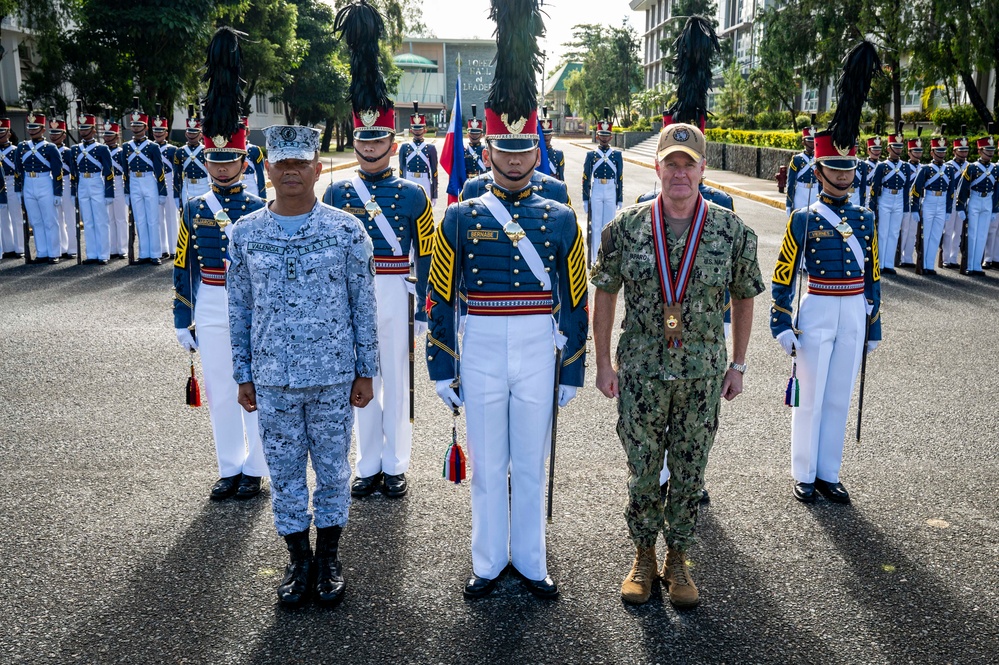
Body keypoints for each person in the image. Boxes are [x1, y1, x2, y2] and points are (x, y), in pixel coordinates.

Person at [426, 0, 588, 600]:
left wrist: (572, 369)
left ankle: (531, 559)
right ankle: (489, 560)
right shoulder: (461, 217)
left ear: (535, 150)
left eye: (524, 151)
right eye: (504, 149)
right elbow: (441, 296)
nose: (515, 159)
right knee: (490, 466)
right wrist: (442, 362)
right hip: (485, 346)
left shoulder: (562, 218)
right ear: (487, 150)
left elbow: (575, 299)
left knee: (531, 460)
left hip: (537, 346)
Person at [593, 118, 762, 609]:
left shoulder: (732, 231)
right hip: (641, 372)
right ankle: (644, 555)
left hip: (703, 374)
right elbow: (604, 293)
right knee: (643, 468)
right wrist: (603, 363)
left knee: (690, 469)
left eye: (689, 164)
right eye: (672, 164)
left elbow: (745, 296)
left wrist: (739, 364)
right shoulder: (625, 226)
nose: (680, 173)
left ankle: (679, 557)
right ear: (657, 168)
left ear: (704, 169)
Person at [230, 119, 377, 607]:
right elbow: (240, 307)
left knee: (334, 469)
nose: (291, 172)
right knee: (286, 470)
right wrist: (243, 374)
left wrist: (366, 369)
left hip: (333, 376)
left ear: (318, 169)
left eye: (300, 164)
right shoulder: (245, 233)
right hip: (273, 378)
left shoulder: (346, 230)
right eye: (282, 164)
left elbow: (363, 303)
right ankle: (298, 560)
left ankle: (329, 557)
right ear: (267, 168)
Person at [323, 6, 434, 499]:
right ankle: (366, 463)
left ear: (393, 139)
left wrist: (428, 302)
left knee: (396, 377)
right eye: (363, 137)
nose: (369, 146)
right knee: (359, 378)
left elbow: (429, 254)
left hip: (397, 291)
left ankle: (396, 463)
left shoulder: (414, 195)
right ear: (356, 137)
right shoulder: (336, 193)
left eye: (378, 137)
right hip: (350, 295)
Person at [771, 41, 882, 507]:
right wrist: (781, 322)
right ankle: (803, 471)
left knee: (839, 395)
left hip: (854, 308)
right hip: (816, 305)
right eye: (834, 168)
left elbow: (873, 276)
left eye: (848, 168)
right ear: (818, 171)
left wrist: (874, 324)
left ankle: (829, 473)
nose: (843, 176)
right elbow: (783, 273)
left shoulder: (866, 219)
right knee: (810, 396)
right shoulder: (803, 219)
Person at [174, 27, 270, 503]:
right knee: (217, 385)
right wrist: (181, 316)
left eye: (230, 160)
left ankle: (256, 466)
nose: (222, 168)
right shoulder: (193, 208)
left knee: (251, 384)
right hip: (211, 299)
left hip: (251, 303)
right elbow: (182, 266)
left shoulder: (258, 208)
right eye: (214, 160)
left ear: (244, 157)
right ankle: (229, 465)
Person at [14, 104, 63, 264]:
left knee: (50, 220)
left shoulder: (50, 148)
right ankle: (42, 252)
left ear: (43, 129)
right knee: (35, 221)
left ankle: (54, 252)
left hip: (44, 182)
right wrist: (18, 189)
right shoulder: (21, 147)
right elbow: (18, 169)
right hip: (29, 183)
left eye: (35, 127)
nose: (32, 129)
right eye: (30, 126)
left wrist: (57, 192)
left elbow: (57, 172)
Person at [122, 99, 168, 264]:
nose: (135, 128)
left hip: (149, 181)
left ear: (146, 127)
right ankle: (144, 253)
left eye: (138, 125)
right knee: (140, 219)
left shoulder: (153, 147)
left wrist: (162, 191)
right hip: (134, 181)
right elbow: (125, 172)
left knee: (152, 219)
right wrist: (126, 191)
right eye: (133, 125)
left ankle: (155, 253)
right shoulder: (126, 147)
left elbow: (159, 170)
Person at [71, 109, 115, 265]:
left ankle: (103, 254)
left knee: (101, 220)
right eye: (81, 128)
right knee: (88, 221)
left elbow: (109, 172)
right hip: (83, 183)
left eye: (86, 128)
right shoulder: (75, 149)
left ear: (93, 130)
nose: (83, 131)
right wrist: (72, 192)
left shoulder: (102, 149)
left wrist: (109, 192)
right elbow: (73, 172)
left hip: (97, 181)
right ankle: (91, 254)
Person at [909, 135, 956, 276]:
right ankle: (922, 264)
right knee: (926, 235)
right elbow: (916, 190)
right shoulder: (926, 169)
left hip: (942, 203)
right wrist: (915, 209)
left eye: (943, 151)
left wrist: (948, 209)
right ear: (932, 153)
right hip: (929, 201)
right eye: (938, 150)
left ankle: (930, 265)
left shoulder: (949, 170)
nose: (941, 153)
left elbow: (951, 191)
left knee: (936, 236)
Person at [582, 108, 624, 264]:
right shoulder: (591, 155)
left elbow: (620, 177)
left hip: (611, 190)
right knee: (596, 225)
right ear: (597, 136)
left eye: (607, 136)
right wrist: (585, 199)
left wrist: (619, 198)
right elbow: (585, 178)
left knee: (609, 226)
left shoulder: (617, 155)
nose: (604, 139)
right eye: (602, 136)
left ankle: (607, 259)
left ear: (611, 136)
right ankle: (594, 259)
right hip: (597, 189)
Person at [869, 125, 912, 275]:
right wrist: (872, 206)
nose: (898, 150)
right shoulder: (882, 166)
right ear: (889, 148)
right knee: (883, 231)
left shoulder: (905, 167)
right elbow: (875, 187)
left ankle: (889, 263)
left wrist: (907, 208)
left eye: (900, 147)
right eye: (895, 147)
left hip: (899, 199)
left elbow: (907, 188)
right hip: (885, 198)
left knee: (894, 232)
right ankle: (879, 263)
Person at [955, 129, 997, 276]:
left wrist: (995, 209)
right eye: (987, 150)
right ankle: (969, 265)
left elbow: (997, 190)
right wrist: (960, 206)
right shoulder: (972, 167)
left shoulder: (995, 169)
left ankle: (977, 265)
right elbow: (963, 188)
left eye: (992, 150)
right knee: (972, 234)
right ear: (980, 151)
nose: (991, 153)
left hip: (987, 202)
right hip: (974, 199)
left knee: (982, 234)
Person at [940, 128, 971, 269]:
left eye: (965, 150)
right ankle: (945, 258)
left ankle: (953, 258)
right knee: (948, 230)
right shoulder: (947, 166)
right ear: (954, 151)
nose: (963, 153)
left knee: (958, 231)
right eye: (961, 150)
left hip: (963, 202)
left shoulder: (969, 166)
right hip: (951, 201)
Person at [48, 113, 77, 260]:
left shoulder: (69, 152)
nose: (53, 136)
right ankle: (61, 247)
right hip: (52, 184)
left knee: (70, 218)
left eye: (57, 133)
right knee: (56, 218)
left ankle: (72, 248)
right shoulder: (47, 150)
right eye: (51, 133)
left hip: (66, 182)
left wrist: (73, 190)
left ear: (64, 135)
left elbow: (73, 172)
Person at [151, 106, 178, 259]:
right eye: (156, 131)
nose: (158, 134)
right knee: (157, 217)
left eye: (161, 131)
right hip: (153, 181)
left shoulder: (172, 149)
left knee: (171, 216)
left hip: (169, 179)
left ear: (166, 133)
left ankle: (174, 248)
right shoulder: (149, 147)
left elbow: (175, 169)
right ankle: (162, 248)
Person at [397, 102, 438, 205]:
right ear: (411, 130)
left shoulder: (431, 148)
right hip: (409, 179)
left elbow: (434, 173)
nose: (418, 132)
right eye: (415, 129)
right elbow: (402, 170)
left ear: (425, 130)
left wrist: (434, 194)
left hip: (424, 180)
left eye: (420, 129)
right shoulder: (404, 147)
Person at [102, 121, 130, 260]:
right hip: (105, 183)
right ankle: (112, 248)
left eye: (110, 135)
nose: (107, 138)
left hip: (119, 182)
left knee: (121, 218)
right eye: (106, 135)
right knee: (109, 218)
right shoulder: (101, 150)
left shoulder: (120, 152)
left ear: (117, 137)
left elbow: (125, 170)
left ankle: (123, 248)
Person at [174, 109, 210, 209]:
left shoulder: (206, 150)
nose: (192, 136)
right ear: (186, 134)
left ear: (200, 134)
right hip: (188, 185)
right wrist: (176, 194)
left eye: (195, 133)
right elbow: (177, 174)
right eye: (190, 133)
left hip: (204, 185)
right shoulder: (180, 151)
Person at [0, 118, 25, 258]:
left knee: (16, 217)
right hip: (0, 186)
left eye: (2, 132)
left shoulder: (16, 150)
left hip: (13, 183)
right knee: (2, 218)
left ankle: (20, 247)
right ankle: (8, 247)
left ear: (8, 133)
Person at [898, 133, 924, 268]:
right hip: (905, 201)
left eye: (920, 151)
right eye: (915, 151)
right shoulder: (904, 168)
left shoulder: (923, 168)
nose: (918, 154)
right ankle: (898, 256)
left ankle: (908, 257)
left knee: (913, 231)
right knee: (904, 229)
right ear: (909, 152)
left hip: (917, 202)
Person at [785, 124, 818, 217]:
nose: (812, 143)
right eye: (809, 141)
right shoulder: (797, 159)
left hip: (816, 192)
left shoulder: (819, 159)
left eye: (813, 141)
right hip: (801, 192)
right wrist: (789, 204)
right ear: (804, 142)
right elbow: (791, 183)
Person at [241, 115, 267, 199]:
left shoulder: (254, 150)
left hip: (250, 186)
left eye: (243, 130)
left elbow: (260, 175)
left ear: (248, 132)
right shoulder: (230, 150)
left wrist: (262, 195)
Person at [540, 107, 565, 181]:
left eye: (548, 135)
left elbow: (561, 176)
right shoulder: (535, 153)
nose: (546, 137)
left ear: (552, 135)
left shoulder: (558, 154)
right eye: (544, 135)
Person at [464, 105, 487, 179]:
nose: (474, 136)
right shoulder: (464, 150)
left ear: (481, 135)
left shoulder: (486, 150)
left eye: (477, 134)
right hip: (467, 181)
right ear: (468, 134)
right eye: (472, 134)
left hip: (482, 180)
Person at [861, 134, 882, 207]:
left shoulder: (883, 165)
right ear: (868, 151)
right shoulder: (863, 165)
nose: (876, 152)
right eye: (874, 149)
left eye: (878, 149)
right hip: (866, 193)